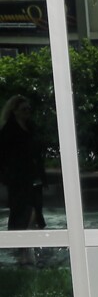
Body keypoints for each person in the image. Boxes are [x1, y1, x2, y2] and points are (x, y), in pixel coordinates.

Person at [0, 95, 46, 236]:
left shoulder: (31, 128)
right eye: (24, 109)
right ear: (15, 111)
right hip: (18, 178)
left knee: (35, 209)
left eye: (29, 109)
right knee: (22, 210)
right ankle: (20, 243)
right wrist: (6, 176)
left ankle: (30, 243)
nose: (27, 112)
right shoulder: (8, 131)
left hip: (33, 176)